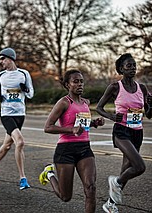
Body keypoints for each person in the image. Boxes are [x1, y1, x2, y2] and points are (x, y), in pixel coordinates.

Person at [39, 69, 105, 213]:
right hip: (66, 151)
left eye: (81, 81)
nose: (80, 84)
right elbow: (48, 127)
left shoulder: (85, 102)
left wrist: (94, 123)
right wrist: (71, 130)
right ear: (68, 85)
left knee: (91, 188)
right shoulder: (63, 102)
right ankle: (49, 174)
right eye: (75, 81)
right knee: (65, 196)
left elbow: (82, 124)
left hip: (84, 149)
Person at [96, 53, 152, 213]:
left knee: (127, 169)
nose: (133, 68)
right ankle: (116, 181)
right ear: (121, 69)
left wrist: (150, 105)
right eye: (129, 66)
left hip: (137, 132)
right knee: (139, 166)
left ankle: (110, 203)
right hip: (122, 131)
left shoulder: (141, 88)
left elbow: (148, 114)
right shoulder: (115, 87)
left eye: (134, 65)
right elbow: (99, 108)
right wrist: (112, 116)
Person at [0, 47, 34, 190]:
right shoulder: (0, 76)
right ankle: (22, 178)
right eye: (0, 59)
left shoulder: (24, 74)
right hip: (6, 113)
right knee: (19, 142)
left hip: (20, 114)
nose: (1, 62)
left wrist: (25, 90)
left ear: (11, 58)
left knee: (7, 145)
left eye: (3, 59)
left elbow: (31, 93)